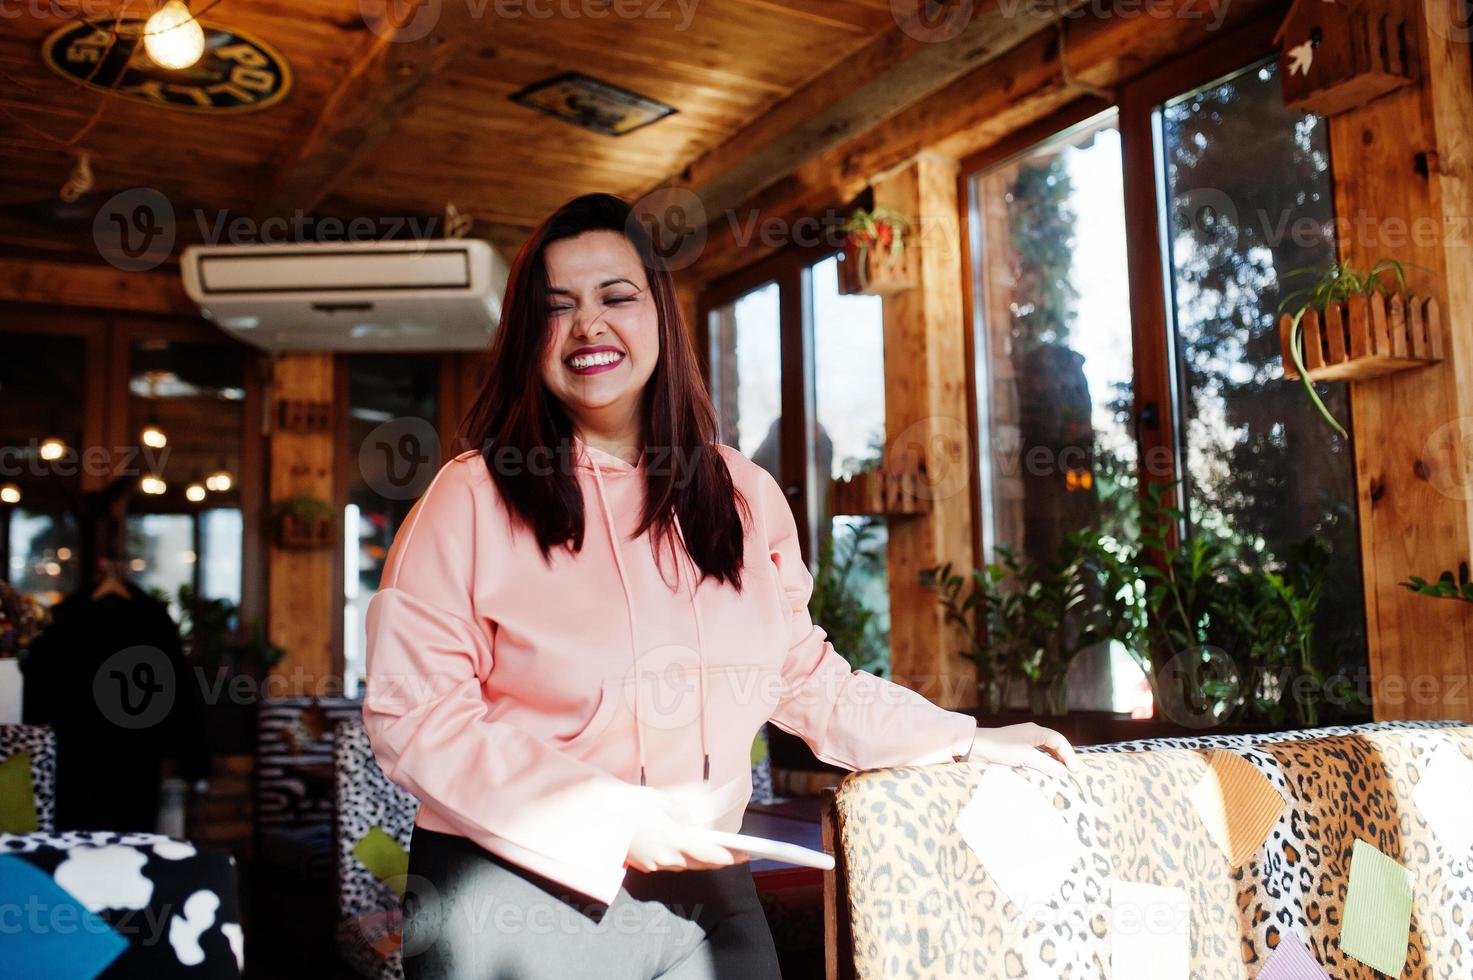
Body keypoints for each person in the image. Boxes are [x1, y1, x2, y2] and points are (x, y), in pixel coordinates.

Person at [361, 192, 1077, 979]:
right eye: (555, 307)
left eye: (616, 297)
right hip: (509, 891)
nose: (587, 325)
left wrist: (958, 738)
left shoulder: (740, 493)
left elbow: (804, 677)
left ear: (661, 318)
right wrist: (608, 820)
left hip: (707, 879)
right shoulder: (467, 497)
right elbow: (414, 714)